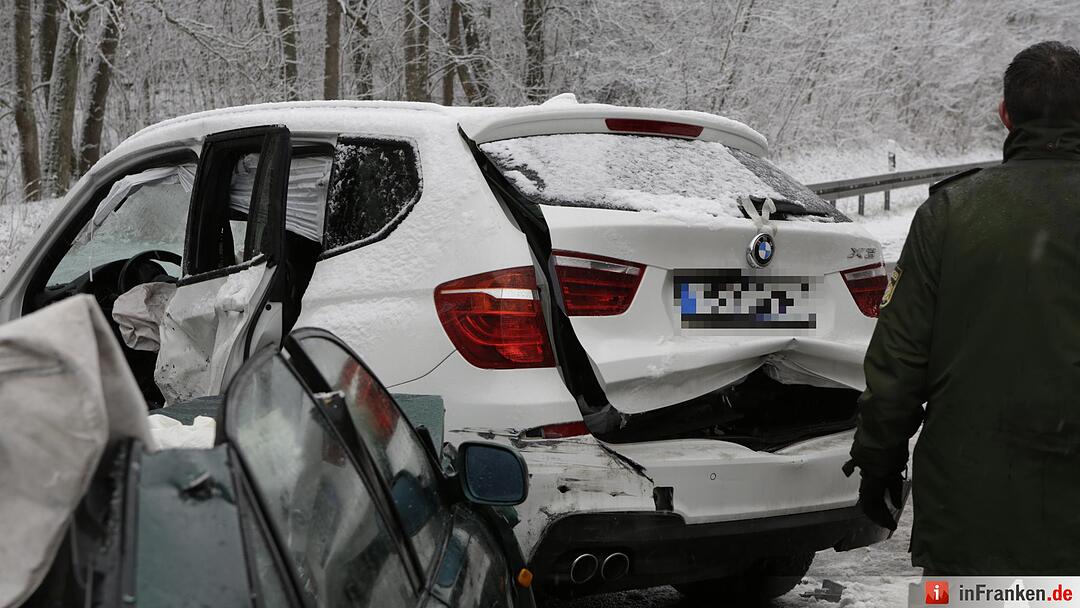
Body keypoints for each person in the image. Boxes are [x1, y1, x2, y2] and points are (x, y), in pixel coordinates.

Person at [846, 40, 1080, 575]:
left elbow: (898, 363)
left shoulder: (950, 213)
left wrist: (878, 462)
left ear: (1005, 115)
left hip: (972, 514)